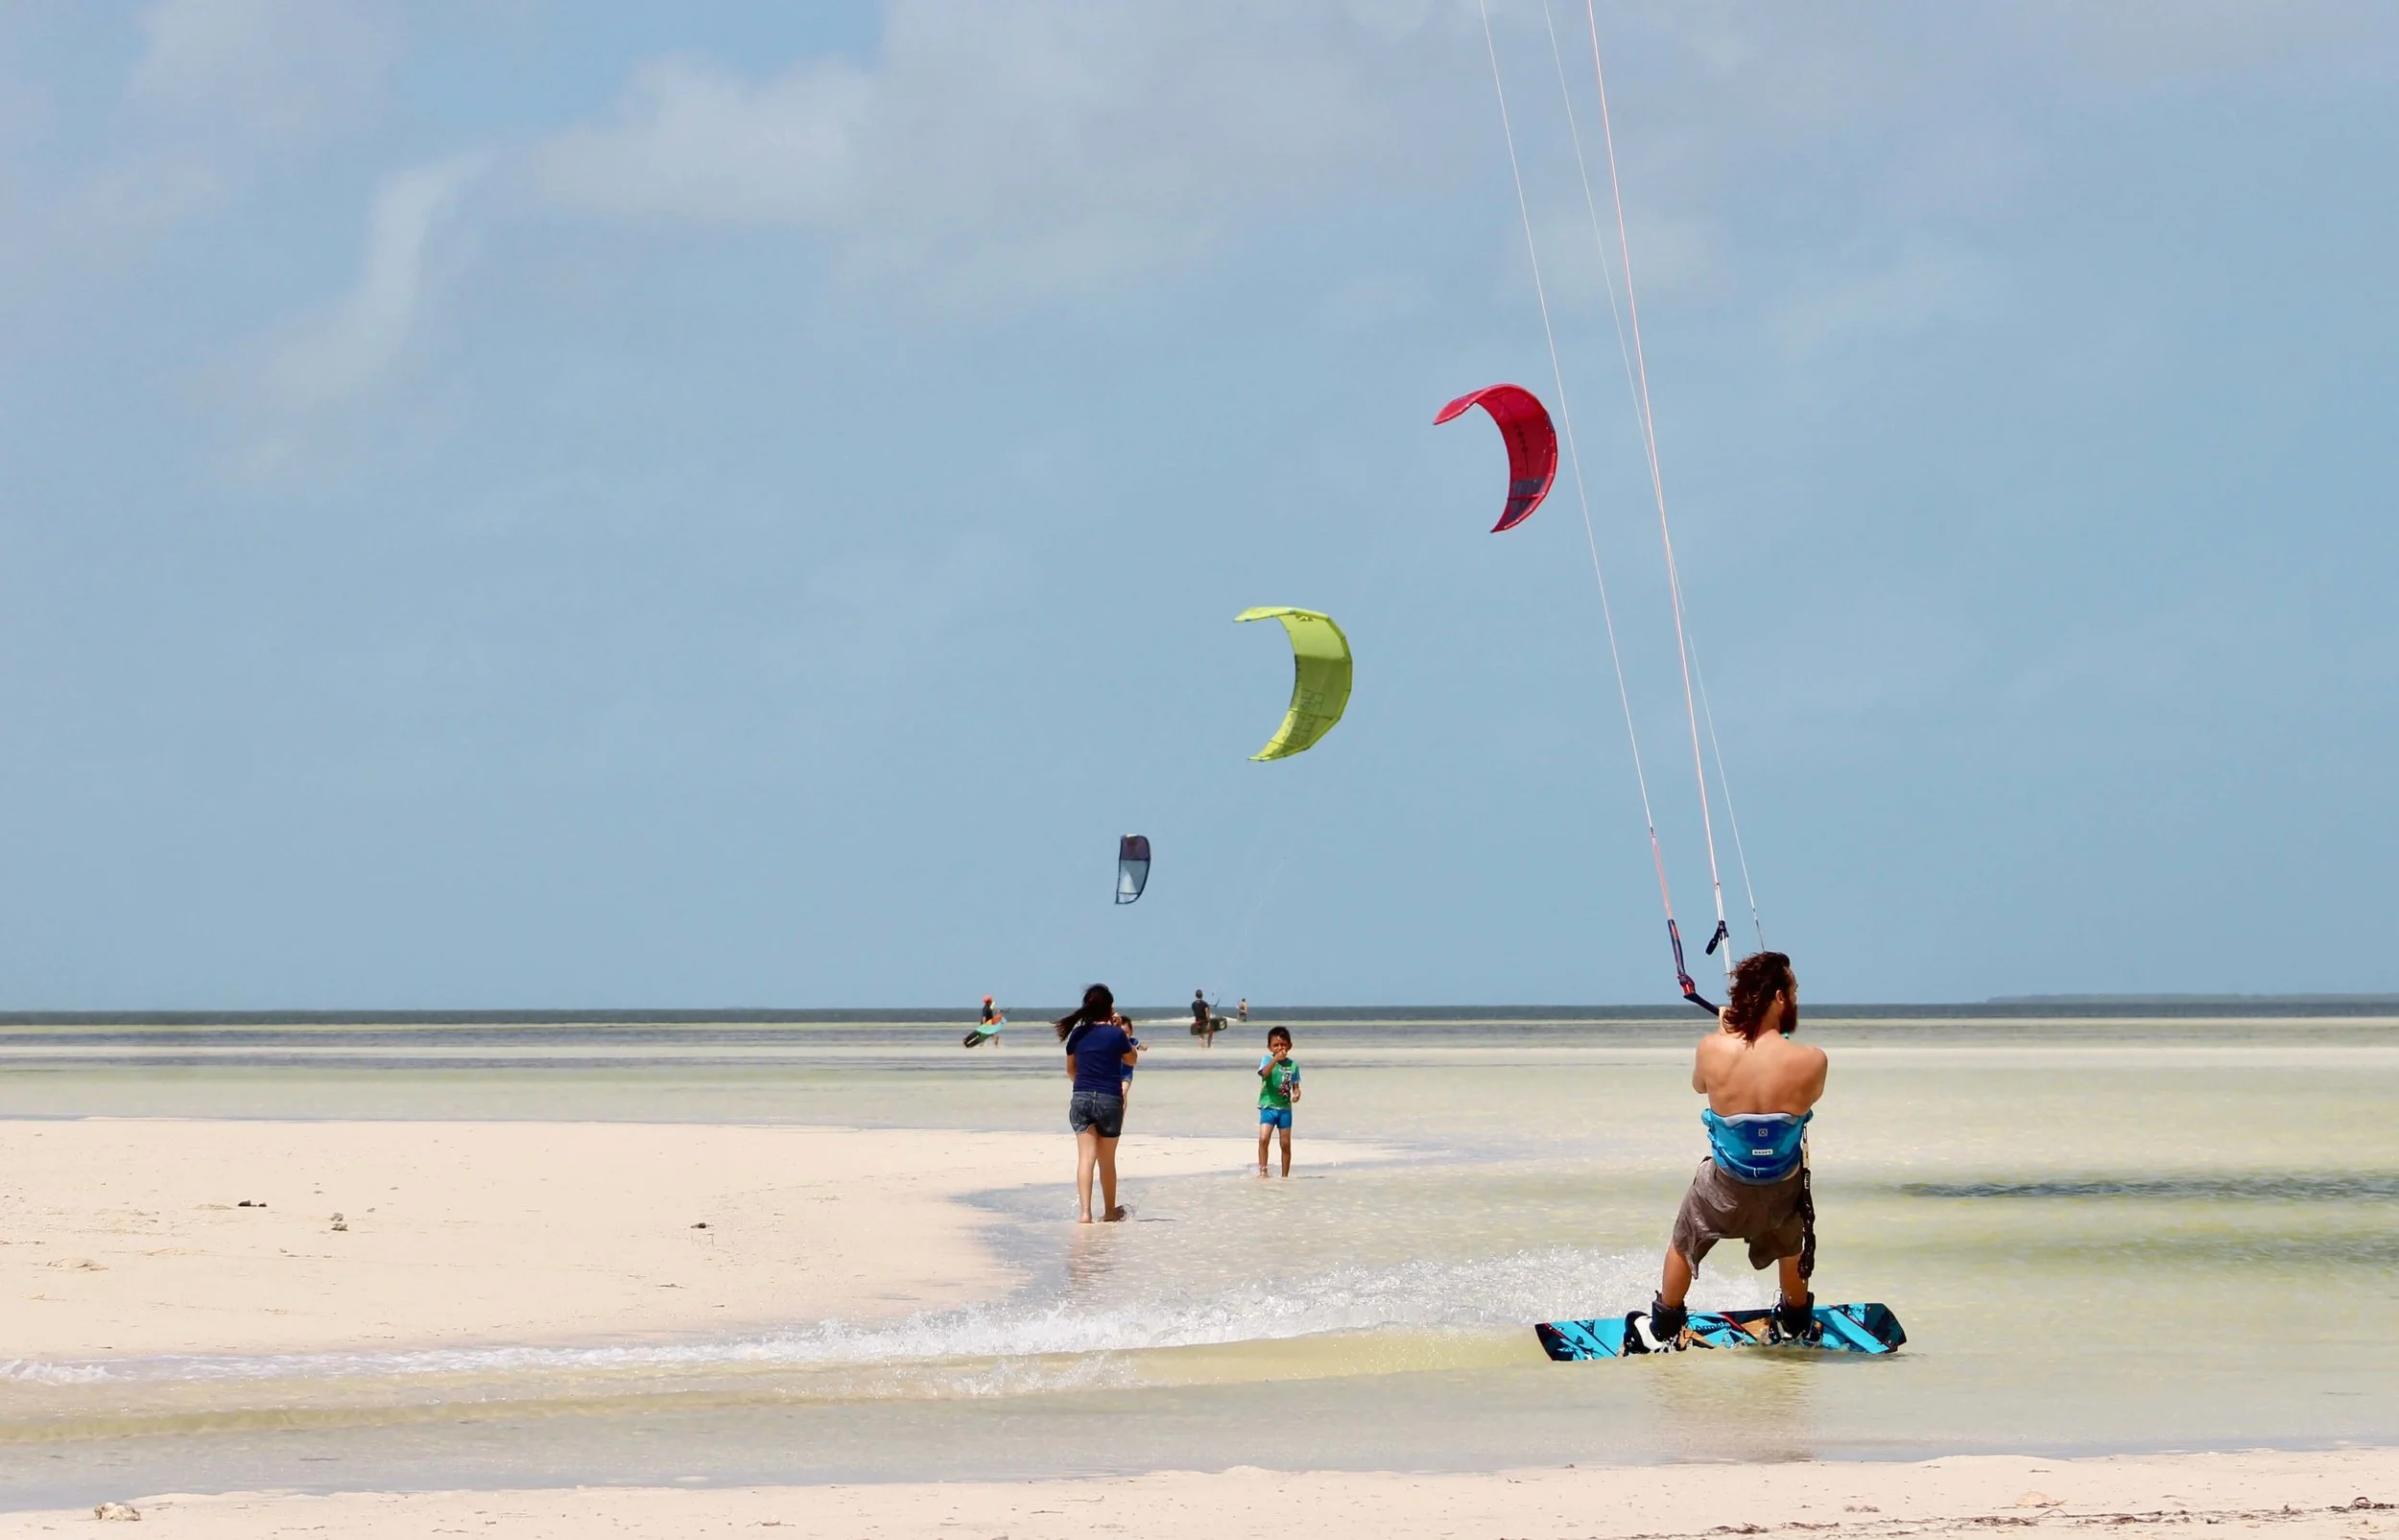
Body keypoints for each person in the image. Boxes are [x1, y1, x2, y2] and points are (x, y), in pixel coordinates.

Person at [1648, 951, 1826, 1346]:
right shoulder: (1813, 1060)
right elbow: (1806, 1096)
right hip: (1782, 1183)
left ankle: (1664, 1325)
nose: (1796, 999)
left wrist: (1726, 1037)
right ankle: (1795, 1320)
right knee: (1791, 1241)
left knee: (1685, 1238)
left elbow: (1700, 1086)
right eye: (1793, 991)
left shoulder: (1712, 1049)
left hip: (1726, 1183)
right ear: (1779, 998)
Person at [1057, 983, 1139, 1222]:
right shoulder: (1116, 1034)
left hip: (1081, 1096)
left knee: (1085, 1158)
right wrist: (1120, 1031)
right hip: (1110, 1099)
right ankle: (1110, 1212)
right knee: (1106, 1161)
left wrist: (1086, 1085)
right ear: (1110, 1008)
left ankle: (1085, 1213)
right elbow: (1132, 1060)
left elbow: (1071, 1071)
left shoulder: (1077, 1035)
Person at [1255, 1026, 1301, 1177]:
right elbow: (1264, 1073)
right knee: (1263, 1139)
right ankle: (1263, 1171)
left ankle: (1285, 1176)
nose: (1280, 1047)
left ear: (1289, 1046)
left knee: (1285, 1144)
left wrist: (1297, 1093)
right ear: (1269, 1047)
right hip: (1268, 1107)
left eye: (1283, 1044)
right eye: (1276, 1045)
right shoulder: (1267, 1060)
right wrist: (1275, 1059)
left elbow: (1296, 1086)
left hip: (1284, 1109)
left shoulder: (1293, 1066)